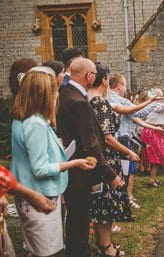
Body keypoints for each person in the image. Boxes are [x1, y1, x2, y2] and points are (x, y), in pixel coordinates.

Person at [12, 67, 94, 257]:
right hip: (40, 196)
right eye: (55, 90)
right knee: (47, 252)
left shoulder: (23, 119)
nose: (58, 95)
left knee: (34, 249)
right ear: (43, 94)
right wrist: (74, 163)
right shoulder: (35, 124)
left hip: (31, 193)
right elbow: (40, 168)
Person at [56, 58, 125, 257]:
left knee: (75, 223)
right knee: (79, 224)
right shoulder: (78, 102)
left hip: (71, 169)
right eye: (93, 73)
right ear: (89, 76)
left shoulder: (67, 94)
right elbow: (90, 144)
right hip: (79, 174)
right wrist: (111, 174)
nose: (94, 76)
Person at [87, 62, 136, 257]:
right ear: (105, 81)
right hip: (105, 159)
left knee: (98, 202)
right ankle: (107, 246)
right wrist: (129, 153)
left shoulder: (86, 99)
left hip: (91, 157)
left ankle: (101, 242)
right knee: (106, 203)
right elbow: (108, 138)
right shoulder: (101, 103)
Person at [106, 73, 164, 209]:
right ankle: (125, 200)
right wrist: (156, 101)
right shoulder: (120, 100)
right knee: (126, 171)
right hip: (121, 139)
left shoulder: (107, 97)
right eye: (124, 85)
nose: (125, 88)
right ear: (119, 86)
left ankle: (123, 198)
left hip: (114, 139)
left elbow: (134, 118)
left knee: (119, 170)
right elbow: (140, 113)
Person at [134, 86, 164, 188]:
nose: (162, 97)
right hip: (152, 132)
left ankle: (153, 177)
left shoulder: (155, 105)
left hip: (154, 131)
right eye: (160, 96)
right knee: (156, 157)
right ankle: (152, 179)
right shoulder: (155, 106)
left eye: (162, 95)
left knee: (156, 156)